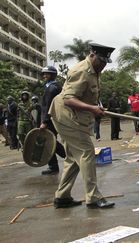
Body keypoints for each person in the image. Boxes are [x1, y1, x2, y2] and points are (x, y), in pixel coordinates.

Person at [48, 43, 116, 209]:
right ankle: (93, 197)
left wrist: (95, 106)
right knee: (86, 152)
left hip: (75, 117)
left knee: (73, 157)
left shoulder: (94, 71)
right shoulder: (81, 71)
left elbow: (87, 96)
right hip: (66, 116)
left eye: (106, 62)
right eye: (101, 61)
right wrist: (92, 108)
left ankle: (62, 197)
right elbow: (68, 99)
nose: (103, 65)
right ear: (92, 55)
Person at [39, 66, 64, 175]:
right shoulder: (51, 86)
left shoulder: (52, 88)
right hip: (53, 119)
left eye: (47, 74)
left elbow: (48, 106)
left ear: (53, 75)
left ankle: (67, 158)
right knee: (50, 141)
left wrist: (44, 122)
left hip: (51, 120)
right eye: (44, 74)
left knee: (49, 141)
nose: (44, 76)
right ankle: (66, 158)